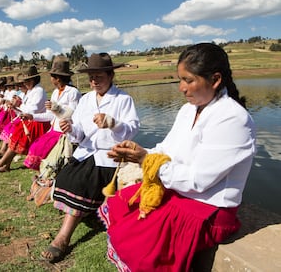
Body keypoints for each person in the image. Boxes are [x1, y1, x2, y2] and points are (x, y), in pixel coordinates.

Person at [98, 43, 257, 272]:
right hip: (181, 192)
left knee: (141, 242)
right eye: (179, 79)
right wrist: (137, 153)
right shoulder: (188, 110)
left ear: (215, 79)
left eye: (188, 80)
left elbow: (199, 181)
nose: (181, 88)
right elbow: (166, 150)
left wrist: (146, 160)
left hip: (208, 209)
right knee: (121, 205)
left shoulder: (233, 119)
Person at [40, 53, 140, 262]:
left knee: (82, 181)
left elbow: (132, 129)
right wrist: (70, 128)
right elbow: (80, 134)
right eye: (91, 77)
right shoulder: (86, 100)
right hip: (87, 150)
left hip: (110, 154)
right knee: (66, 176)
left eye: (99, 76)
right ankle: (86, 212)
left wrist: (112, 122)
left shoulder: (123, 99)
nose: (94, 81)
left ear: (111, 75)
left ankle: (62, 237)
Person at [0, 65, 50, 172]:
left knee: (17, 139)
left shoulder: (39, 91)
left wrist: (18, 105)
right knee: (14, 138)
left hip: (37, 122)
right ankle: (5, 165)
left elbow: (33, 110)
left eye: (26, 81)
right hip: (29, 121)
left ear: (32, 80)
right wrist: (15, 106)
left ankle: (0, 163)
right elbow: (25, 110)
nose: (24, 84)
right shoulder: (32, 91)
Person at [23, 56, 82, 170]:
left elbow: (74, 115)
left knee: (45, 153)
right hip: (54, 131)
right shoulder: (55, 93)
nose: (51, 79)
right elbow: (51, 116)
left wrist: (56, 108)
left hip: (64, 133)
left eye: (51, 77)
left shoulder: (73, 92)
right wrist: (32, 116)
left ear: (57, 78)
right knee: (36, 148)